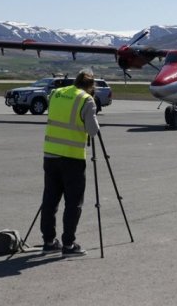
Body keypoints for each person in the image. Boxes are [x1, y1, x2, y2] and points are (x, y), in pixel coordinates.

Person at [40, 70, 100, 256]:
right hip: (72, 157)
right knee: (73, 203)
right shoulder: (86, 99)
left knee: (50, 200)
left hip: (50, 154)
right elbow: (92, 130)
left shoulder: (56, 93)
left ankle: (48, 241)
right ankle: (68, 244)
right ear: (90, 86)